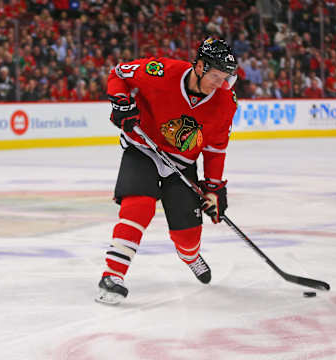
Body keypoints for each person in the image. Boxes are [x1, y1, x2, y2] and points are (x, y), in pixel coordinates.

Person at [96, 38, 238, 305]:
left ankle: (191, 256)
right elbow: (118, 74)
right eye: (215, 75)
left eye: (225, 77)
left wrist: (214, 187)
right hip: (143, 148)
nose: (219, 83)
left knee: (187, 237)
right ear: (199, 66)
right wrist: (121, 102)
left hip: (182, 165)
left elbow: (216, 148)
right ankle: (112, 276)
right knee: (139, 205)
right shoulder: (161, 72)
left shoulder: (225, 103)